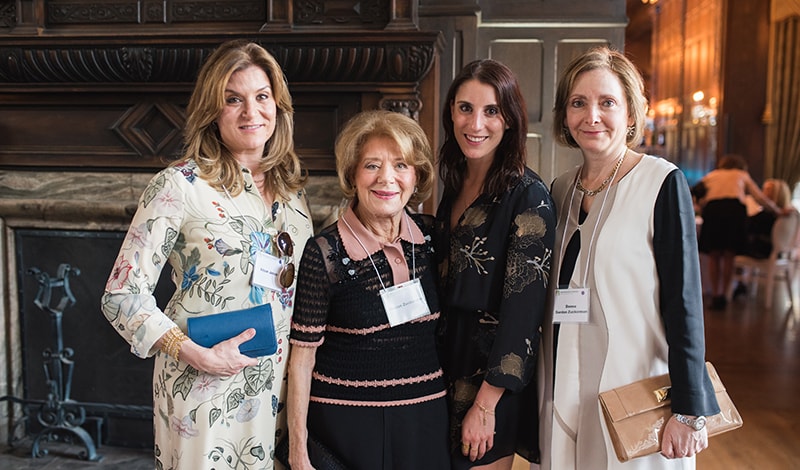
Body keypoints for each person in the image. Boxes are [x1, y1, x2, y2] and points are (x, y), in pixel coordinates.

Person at [100, 40, 313, 469]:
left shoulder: (292, 192)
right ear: (212, 111)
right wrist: (199, 355)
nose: (251, 112)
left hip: (277, 389)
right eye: (233, 100)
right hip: (203, 389)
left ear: (278, 106)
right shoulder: (179, 185)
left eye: (262, 97)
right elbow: (121, 296)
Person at [539, 46, 720, 470]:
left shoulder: (661, 182)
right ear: (565, 115)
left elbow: (684, 302)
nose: (592, 116)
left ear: (631, 113)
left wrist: (688, 408)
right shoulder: (560, 189)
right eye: (578, 103)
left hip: (635, 390)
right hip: (562, 386)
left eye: (607, 102)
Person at [286, 110, 450, 470]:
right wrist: (298, 451)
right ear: (352, 175)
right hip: (347, 426)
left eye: (401, 165)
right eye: (372, 165)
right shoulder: (325, 253)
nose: (386, 178)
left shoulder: (432, 238)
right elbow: (302, 360)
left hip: (425, 422)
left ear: (416, 175)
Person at [435, 59, 556, 469]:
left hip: (490, 381)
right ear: (451, 112)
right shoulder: (455, 183)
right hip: (442, 366)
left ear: (509, 119)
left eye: (491, 111)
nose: (476, 123)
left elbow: (524, 315)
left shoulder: (528, 196)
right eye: (465, 108)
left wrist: (485, 405)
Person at [697, 154, 785, 309]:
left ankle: (715, 294)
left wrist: (701, 204)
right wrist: (777, 210)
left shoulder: (712, 175)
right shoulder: (741, 174)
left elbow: (697, 192)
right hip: (734, 211)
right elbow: (759, 197)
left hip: (713, 211)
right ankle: (724, 294)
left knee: (713, 254)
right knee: (729, 255)